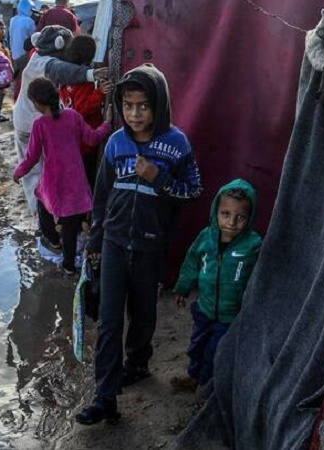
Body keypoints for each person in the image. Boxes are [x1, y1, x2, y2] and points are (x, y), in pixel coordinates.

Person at [75, 64, 204, 425]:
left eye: (143, 106)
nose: (134, 114)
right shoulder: (116, 142)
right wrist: (95, 240)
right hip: (114, 243)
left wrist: (157, 176)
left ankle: (137, 363)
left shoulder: (176, 144)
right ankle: (105, 397)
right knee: (109, 321)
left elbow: (193, 191)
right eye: (128, 105)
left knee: (144, 313)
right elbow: (101, 196)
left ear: (159, 105)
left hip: (150, 246)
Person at [171, 179, 262, 400]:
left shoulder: (253, 245)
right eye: (225, 214)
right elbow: (192, 263)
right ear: (216, 212)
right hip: (204, 308)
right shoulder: (206, 238)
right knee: (196, 346)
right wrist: (182, 287)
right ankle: (193, 376)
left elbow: (261, 277)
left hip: (230, 315)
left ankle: (205, 386)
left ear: (249, 217)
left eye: (240, 217)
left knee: (215, 352)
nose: (231, 222)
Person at [13, 78, 111, 274]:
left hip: (53, 180)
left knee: (42, 204)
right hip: (76, 179)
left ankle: (54, 241)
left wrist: (18, 172)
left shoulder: (40, 124)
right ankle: (68, 265)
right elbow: (92, 138)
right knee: (70, 224)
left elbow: (31, 157)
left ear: (37, 103)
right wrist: (107, 124)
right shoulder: (73, 115)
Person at [12, 25, 107, 214]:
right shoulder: (45, 63)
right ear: (59, 45)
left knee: (40, 169)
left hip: (31, 122)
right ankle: (41, 213)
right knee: (35, 171)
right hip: (30, 124)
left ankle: (46, 213)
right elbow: (62, 70)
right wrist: (91, 74)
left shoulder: (36, 58)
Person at [59, 35, 110, 191]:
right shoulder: (84, 81)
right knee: (87, 177)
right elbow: (81, 110)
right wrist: (99, 93)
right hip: (86, 140)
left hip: (72, 139)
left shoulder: (66, 76)